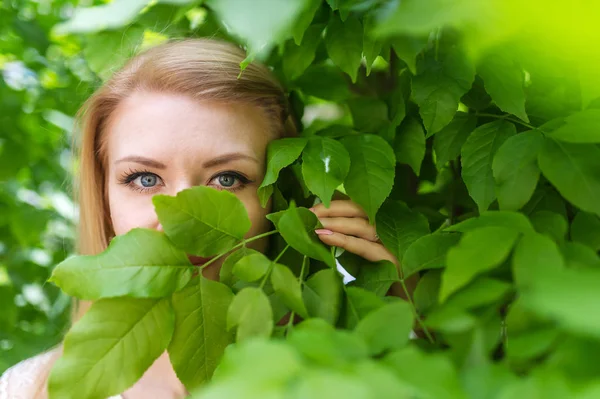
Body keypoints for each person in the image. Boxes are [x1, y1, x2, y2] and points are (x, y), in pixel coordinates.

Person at [0, 38, 401, 398]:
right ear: (102, 195)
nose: (184, 219)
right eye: (144, 178)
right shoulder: (27, 390)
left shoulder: (359, 372)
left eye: (227, 179)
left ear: (282, 196)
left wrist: (406, 311)